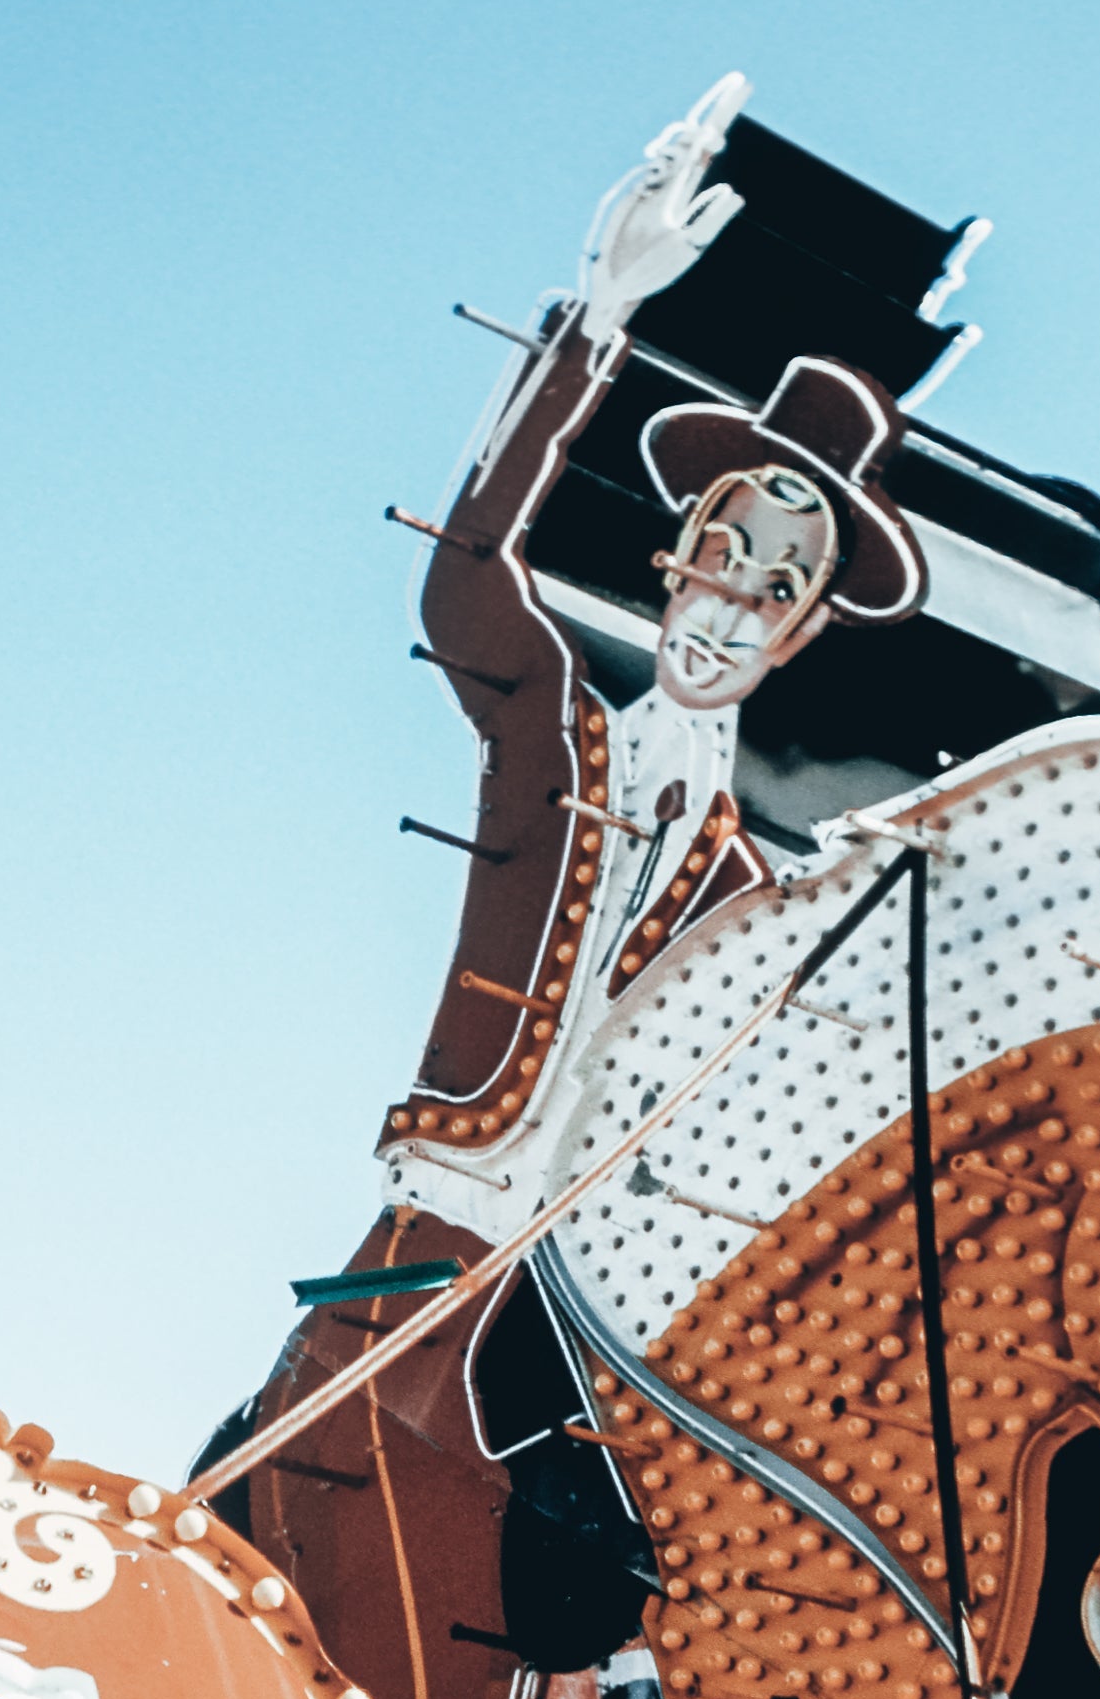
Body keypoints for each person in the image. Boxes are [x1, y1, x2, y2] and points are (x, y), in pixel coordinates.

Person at [389, 75, 930, 1199]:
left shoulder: (747, 888)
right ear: (675, 555)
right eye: (721, 557)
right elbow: (464, 578)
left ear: (801, 633)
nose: (730, 604)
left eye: (776, 588)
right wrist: (595, 326)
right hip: (433, 1215)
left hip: (592, 1277)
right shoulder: (551, 731)